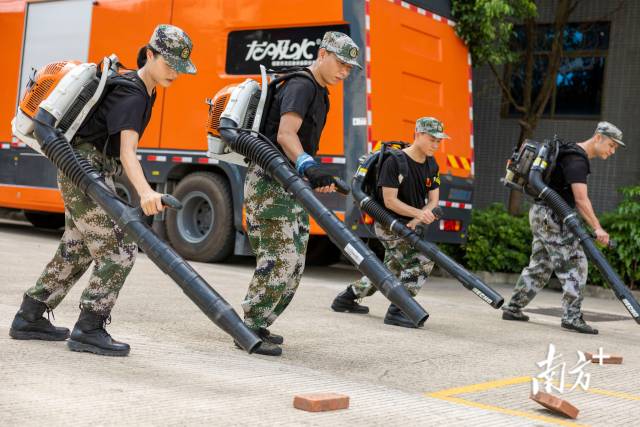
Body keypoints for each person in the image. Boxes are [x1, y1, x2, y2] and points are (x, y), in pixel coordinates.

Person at [9, 24, 197, 356]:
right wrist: (146, 193)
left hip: (85, 168)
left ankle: (30, 316)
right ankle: (89, 328)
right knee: (119, 247)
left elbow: (118, 152)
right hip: (84, 169)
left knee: (77, 246)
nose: (175, 73)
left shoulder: (141, 89)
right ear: (150, 54)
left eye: (180, 68)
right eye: (169, 64)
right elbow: (128, 153)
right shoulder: (135, 92)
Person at [240, 31, 361, 356]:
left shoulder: (322, 91)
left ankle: (261, 321)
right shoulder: (302, 85)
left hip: (290, 183)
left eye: (350, 68)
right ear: (322, 53)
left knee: (295, 263)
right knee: (280, 257)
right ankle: (247, 327)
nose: (344, 72)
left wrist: (312, 172)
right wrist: (308, 165)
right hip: (270, 182)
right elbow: (286, 134)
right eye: (341, 63)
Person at [501, 121, 624, 334]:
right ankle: (572, 317)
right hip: (553, 217)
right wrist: (597, 228)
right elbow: (581, 200)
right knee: (576, 263)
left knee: (541, 264)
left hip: (542, 214)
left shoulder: (569, 152)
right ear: (598, 137)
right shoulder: (577, 160)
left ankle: (513, 308)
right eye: (611, 145)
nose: (613, 151)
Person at [331, 117, 446, 328]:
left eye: (439, 141)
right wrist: (418, 215)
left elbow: (433, 200)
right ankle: (399, 310)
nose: (436, 145)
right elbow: (389, 201)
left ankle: (347, 298)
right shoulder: (395, 161)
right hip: (388, 223)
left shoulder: (432, 164)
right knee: (423, 260)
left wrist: (418, 217)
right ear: (418, 134)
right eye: (432, 139)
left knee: (389, 271)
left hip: (411, 224)